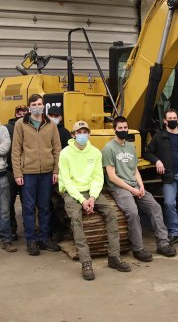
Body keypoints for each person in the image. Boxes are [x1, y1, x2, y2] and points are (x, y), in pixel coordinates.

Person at [59, 120, 131, 280]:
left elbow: (98, 177)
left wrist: (92, 197)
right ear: (73, 135)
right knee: (76, 219)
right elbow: (67, 181)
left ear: (89, 134)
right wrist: (81, 200)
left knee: (111, 212)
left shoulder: (95, 153)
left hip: (91, 192)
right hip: (73, 192)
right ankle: (86, 262)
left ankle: (114, 256)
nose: (82, 135)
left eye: (85, 132)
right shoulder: (65, 153)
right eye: (79, 132)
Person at [102, 116, 176, 262]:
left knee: (155, 207)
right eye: (120, 128)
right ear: (114, 130)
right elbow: (111, 176)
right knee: (133, 212)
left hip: (135, 185)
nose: (123, 130)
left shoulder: (131, 146)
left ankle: (163, 243)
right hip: (119, 188)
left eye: (125, 128)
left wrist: (141, 187)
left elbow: (135, 170)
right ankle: (138, 249)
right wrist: (131, 189)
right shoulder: (108, 149)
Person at [11, 94, 61, 255]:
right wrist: (18, 173)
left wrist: (56, 170)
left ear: (43, 105)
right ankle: (31, 240)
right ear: (29, 107)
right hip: (28, 174)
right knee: (28, 208)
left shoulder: (50, 125)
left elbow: (57, 149)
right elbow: (16, 150)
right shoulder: (21, 124)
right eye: (34, 104)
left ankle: (44, 239)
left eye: (40, 103)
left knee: (45, 207)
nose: (37, 106)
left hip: (46, 173)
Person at [144, 109, 178, 245]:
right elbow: (148, 152)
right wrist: (157, 161)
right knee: (169, 204)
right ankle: (174, 232)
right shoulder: (159, 136)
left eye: (174, 118)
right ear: (164, 121)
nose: (172, 120)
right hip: (169, 177)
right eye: (170, 118)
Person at [47, 105, 72, 242]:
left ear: (61, 118)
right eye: (51, 115)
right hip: (45, 173)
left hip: (59, 174)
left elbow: (66, 155)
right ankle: (50, 230)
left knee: (58, 204)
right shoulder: (44, 130)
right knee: (46, 204)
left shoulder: (65, 133)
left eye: (56, 116)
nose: (53, 118)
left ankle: (60, 230)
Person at [5, 104, 29, 240]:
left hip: (26, 171)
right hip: (10, 170)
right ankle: (11, 230)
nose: (21, 116)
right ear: (15, 114)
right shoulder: (7, 129)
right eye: (19, 114)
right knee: (9, 203)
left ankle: (29, 229)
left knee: (28, 203)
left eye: (24, 113)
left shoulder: (30, 127)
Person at [0, 124, 17, 252]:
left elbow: (5, 148)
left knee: (5, 212)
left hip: (2, 176)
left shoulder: (3, 129)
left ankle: (6, 240)